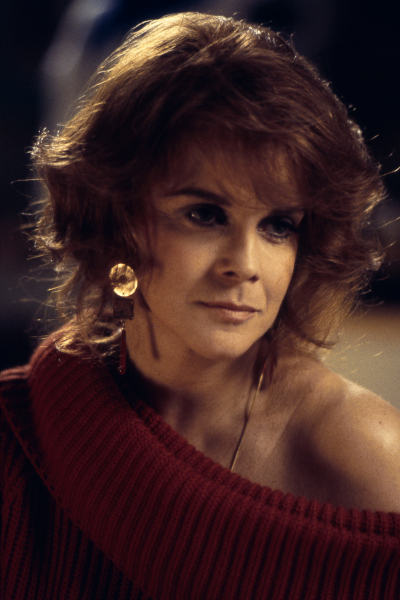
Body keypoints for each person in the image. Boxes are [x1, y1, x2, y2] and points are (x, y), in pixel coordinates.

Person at [1, 12, 400, 600]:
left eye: (278, 226)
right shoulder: (24, 426)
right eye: (205, 215)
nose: (245, 263)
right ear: (116, 223)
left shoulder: (366, 450)